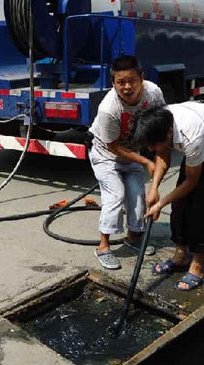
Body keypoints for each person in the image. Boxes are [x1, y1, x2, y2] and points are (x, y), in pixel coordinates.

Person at [133, 102, 204, 291]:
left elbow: (191, 182)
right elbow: (162, 155)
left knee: (200, 208)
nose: (151, 149)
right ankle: (181, 255)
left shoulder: (190, 136)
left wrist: (160, 203)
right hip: (203, 147)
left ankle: (198, 265)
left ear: (168, 133)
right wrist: (154, 189)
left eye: (153, 144)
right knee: (180, 205)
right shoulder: (160, 123)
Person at [88, 55, 165, 270]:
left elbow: (160, 123)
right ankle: (103, 247)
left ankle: (133, 238)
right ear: (113, 84)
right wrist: (146, 162)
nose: (127, 87)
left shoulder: (153, 93)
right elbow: (113, 147)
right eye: (121, 82)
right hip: (106, 156)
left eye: (132, 80)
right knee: (115, 195)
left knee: (137, 195)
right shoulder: (108, 109)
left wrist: (158, 156)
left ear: (142, 77)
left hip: (132, 152)